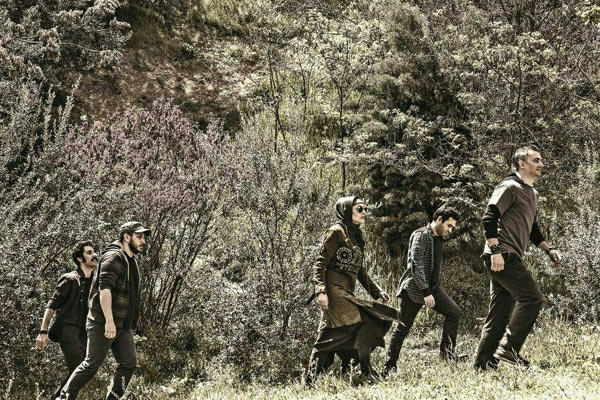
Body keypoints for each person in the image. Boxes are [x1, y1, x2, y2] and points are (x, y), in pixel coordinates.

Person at [474, 145, 562, 370]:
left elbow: (533, 229)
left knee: (500, 314)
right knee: (532, 298)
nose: (541, 164)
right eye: (536, 160)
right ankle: (509, 349)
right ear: (522, 164)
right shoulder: (509, 186)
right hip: (502, 254)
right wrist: (495, 251)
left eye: (540, 160)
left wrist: (549, 250)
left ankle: (483, 365)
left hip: (508, 255)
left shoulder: (533, 193)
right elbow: (489, 217)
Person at [305, 196, 398, 386]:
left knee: (328, 333)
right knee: (367, 319)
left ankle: (315, 378)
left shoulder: (356, 235)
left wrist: (377, 291)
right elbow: (320, 264)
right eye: (359, 209)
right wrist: (321, 291)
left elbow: (360, 270)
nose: (364, 212)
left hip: (346, 292)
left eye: (365, 209)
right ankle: (364, 370)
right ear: (347, 210)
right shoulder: (336, 232)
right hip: (333, 291)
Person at [57, 221, 150, 399]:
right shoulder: (114, 257)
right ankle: (64, 397)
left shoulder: (130, 259)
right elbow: (104, 289)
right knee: (91, 365)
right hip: (103, 322)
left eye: (143, 237)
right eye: (139, 236)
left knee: (128, 364)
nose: (143, 241)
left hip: (122, 325)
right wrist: (109, 321)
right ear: (127, 237)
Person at [384, 205, 465, 374]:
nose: (450, 230)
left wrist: (431, 291)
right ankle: (389, 366)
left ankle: (447, 354)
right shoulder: (421, 235)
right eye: (449, 225)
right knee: (403, 327)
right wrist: (425, 293)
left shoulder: (438, 239)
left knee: (453, 312)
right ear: (439, 219)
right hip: (415, 289)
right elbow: (416, 265)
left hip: (433, 289)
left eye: (452, 227)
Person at [36, 240, 98, 400]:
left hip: (85, 332)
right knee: (79, 367)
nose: (94, 255)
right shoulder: (70, 279)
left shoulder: (96, 282)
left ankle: (58, 397)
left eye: (94, 252)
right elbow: (51, 306)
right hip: (68, 330)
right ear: (79, 258)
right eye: (89, 252)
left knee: (82, 370)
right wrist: (43, 331)